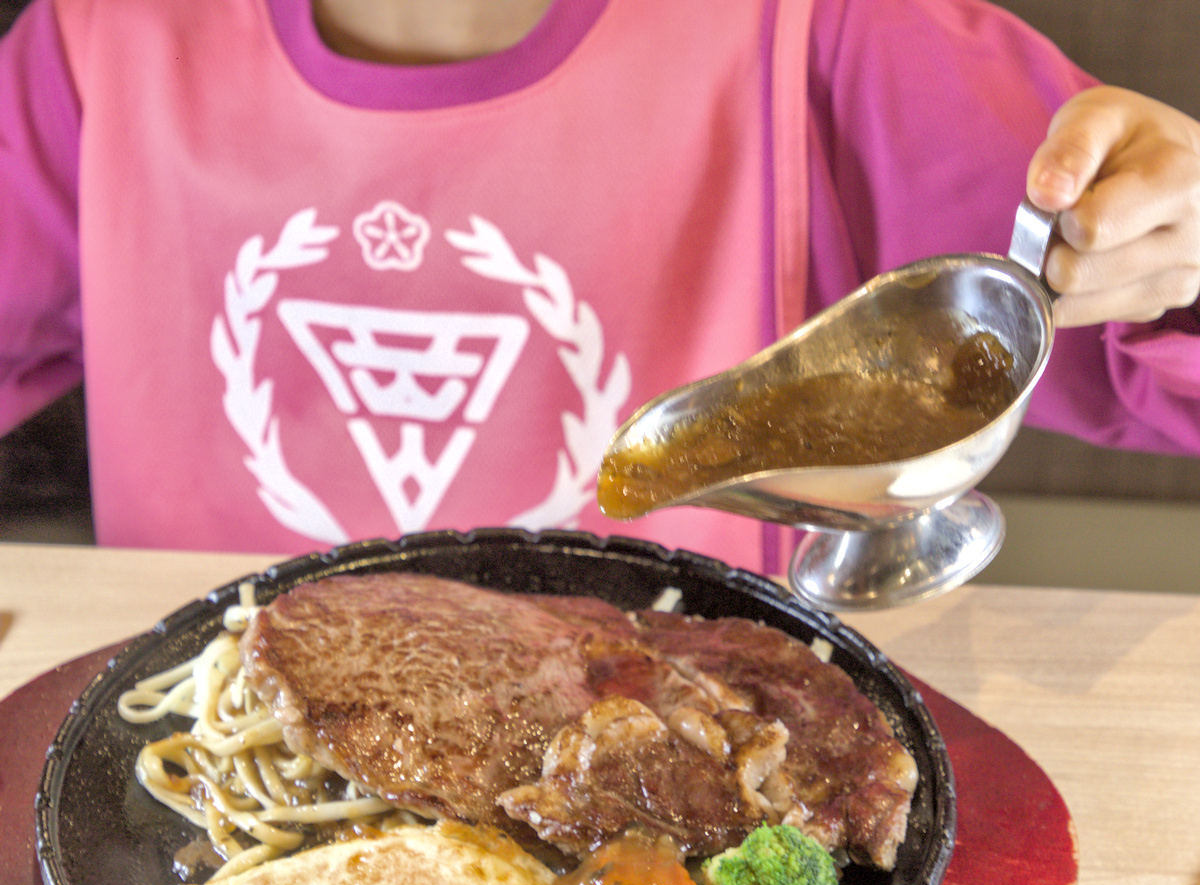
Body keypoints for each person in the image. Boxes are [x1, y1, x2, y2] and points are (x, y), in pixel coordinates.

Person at [1, 0, 1198, 574]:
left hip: (667, 753)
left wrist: (1165, 241)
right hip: (183, 769)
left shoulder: (836, 36)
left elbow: (1119, 334)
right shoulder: (96, 40)